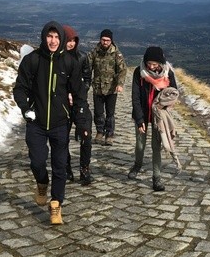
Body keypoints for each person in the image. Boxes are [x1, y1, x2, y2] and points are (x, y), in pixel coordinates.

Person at [13, 21, 88, 224]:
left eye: (56, 37)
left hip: (60, 123)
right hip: (36, 122)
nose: (53, 41)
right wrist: (25, 109)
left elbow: (79, 94)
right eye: (50, 36)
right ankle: (41, 182)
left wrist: (82, 123)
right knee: (37, 161)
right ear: (44, 37)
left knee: (59, 165)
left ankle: (56, 204)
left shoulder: (69, 63)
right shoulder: (32, 60)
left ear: (61, 39)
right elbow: (19, 88)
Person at [129, 46, 177, 192]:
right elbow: (135, 97)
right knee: (140, 144)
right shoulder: (139, 72)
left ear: (161, 63)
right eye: (149, 63)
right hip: (142, 113)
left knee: (157, 146)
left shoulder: (168, 73)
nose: (151, 66)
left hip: (159, 116)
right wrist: (139, 119)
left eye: (155, 64)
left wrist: (164, 106)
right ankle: (137, 164)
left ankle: (157, 178)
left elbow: (174, 92)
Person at [62, 25, 93, 186]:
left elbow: (88, 78)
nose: (71, 43)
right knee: (62, 139)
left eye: (74, 40)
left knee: (86, 136)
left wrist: (80, 91)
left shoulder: (82, 57)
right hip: (62, 104)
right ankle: (66, 169)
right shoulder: (56, 59)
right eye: (68, 40)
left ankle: (84, 169)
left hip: (80, 102)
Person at [87, 29, 127, 146]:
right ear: (100, 39)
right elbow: (88, 67)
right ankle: (100, 132)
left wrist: (120, 84)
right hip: (98, 88)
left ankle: (109, 134)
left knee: (110, 114)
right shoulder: (95, 52)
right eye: (103, 40)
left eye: (108, 40)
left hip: (111, 89)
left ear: (111, 41)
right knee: (98, 113)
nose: (105, 42)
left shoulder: (116, 54)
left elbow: (122, 70)